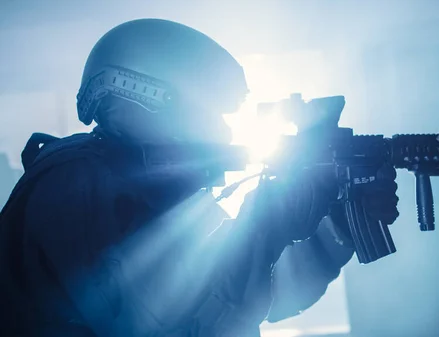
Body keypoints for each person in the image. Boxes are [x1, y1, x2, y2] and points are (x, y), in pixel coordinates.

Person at [0, 19, 399, 337]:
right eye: (207, 112)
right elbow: (163, 327)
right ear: (150, 100)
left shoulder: (157, 194)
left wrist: (336, 230)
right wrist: (264, 222)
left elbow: (266, 296)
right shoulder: (76, 185)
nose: (222, 131)